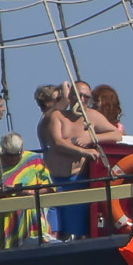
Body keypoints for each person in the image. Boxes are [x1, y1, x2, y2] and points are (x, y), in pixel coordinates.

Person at [34, 83, 99, 239]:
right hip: (56, 179)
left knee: (71, 229)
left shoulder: (54, 117)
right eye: (58, 98)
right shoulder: (50, 117)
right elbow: (58, 142)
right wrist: (66, 88)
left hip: (70, 178)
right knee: (54, 230)